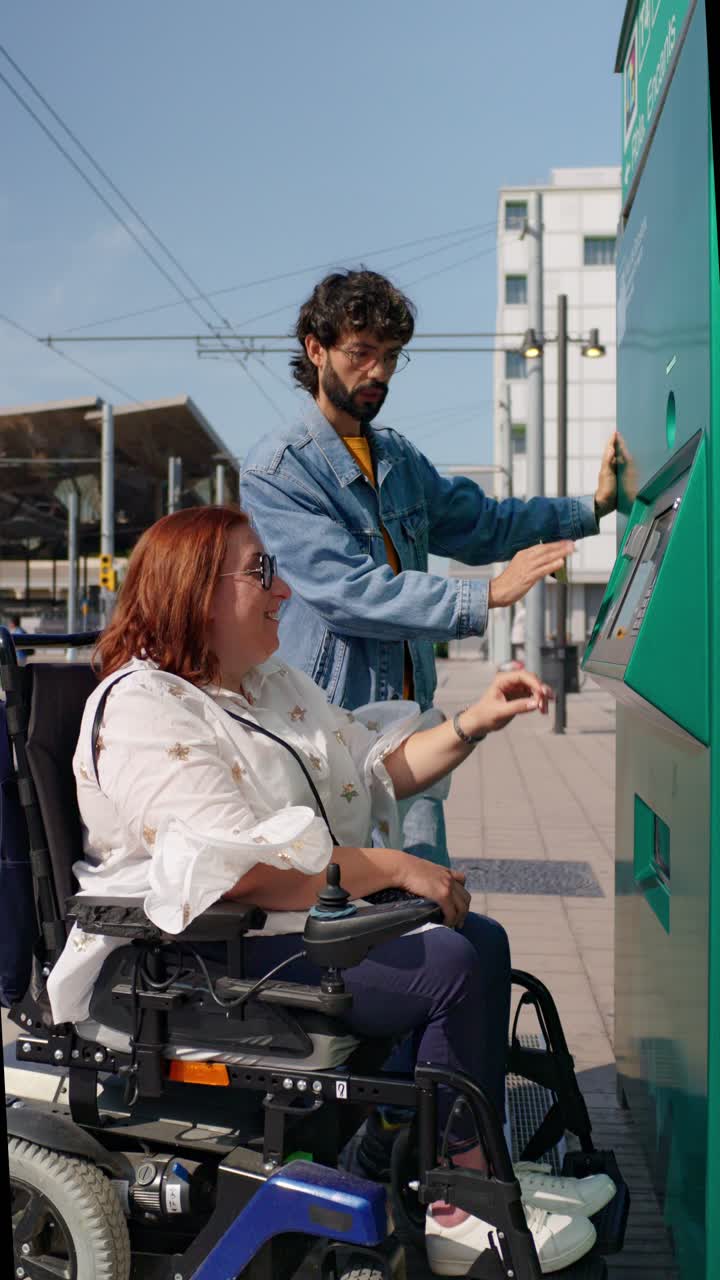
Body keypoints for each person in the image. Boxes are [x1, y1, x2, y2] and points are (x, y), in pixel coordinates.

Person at [46, 506, 614, 1275]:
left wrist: (476, 720)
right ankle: (456, 1205)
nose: (282, 591)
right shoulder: (143, 707)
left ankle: (469, 1170)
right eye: (260, 572)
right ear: (195, 592)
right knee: (445, 967)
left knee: (479, 941)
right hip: (193, 960)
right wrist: (392, 869)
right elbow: (232, 870)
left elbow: (373, 769)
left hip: (281, 931)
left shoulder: (264, 684)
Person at [240, 268, 618, 869]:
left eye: (391, 357)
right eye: (361, 354)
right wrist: (485, 596)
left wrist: (592, 507)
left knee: (427, 908)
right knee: (348, 919)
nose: (379, 373)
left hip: (414, 728)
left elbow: (483, 522)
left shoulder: (397, 458)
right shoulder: (280, 470)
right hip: (331, 732)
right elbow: (348, 592)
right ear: (316, 349)